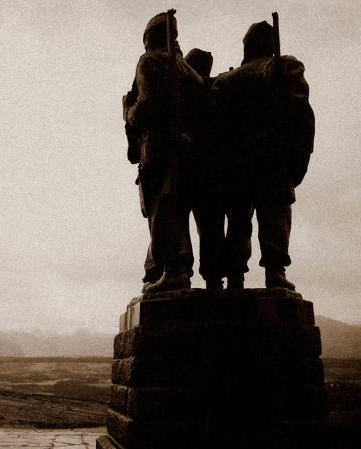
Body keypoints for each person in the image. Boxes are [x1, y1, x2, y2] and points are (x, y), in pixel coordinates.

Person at [211, 21, 314, 289]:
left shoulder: (225, 81)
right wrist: (297, 163)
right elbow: (303, 117)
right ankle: (275, 272)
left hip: (235, 165)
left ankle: (235, 276)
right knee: (275, 218)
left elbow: (212, 128)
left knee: (237, 223)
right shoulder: (286, 67)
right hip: (274, 161)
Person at [123, 12, 204, 293]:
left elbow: (145, 107)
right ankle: (177, 269)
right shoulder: (188, 71)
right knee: (176, 208)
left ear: (149, 38)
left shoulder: (149, 62)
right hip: (186, 149)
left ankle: (174, 271)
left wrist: (128, 112)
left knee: (163, 209)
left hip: (158, 149)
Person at [184, 48, 226, 290]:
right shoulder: (218, 90)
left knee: (187, 225)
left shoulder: (190, 92)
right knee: (211, 229)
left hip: (196, 171)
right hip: (211, 173)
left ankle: (193, 274)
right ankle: (213, 276)